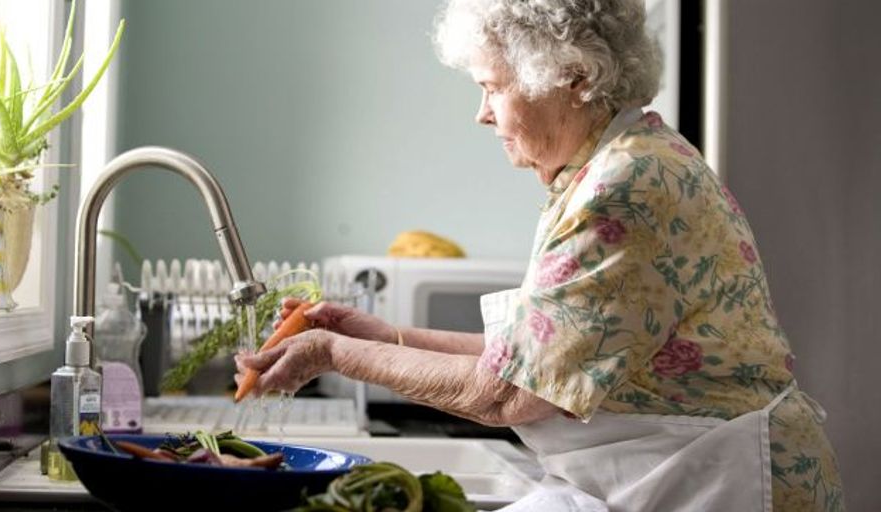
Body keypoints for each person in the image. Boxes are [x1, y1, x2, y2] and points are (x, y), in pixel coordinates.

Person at [236, 1, 844, 510]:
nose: (482, 113)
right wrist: (386, 336)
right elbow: (544, 359)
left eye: (492, 87)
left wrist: (335, 352)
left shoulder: (622, 187)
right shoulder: (618, 164)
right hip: (677, 470)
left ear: (573, 77)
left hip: (718, 482)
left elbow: (507, 394)